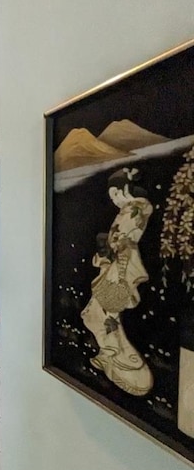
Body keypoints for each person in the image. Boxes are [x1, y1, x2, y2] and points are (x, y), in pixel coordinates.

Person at [81, 166, 153, 396]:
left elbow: (121, 241)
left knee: (105, 311)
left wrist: (108, 247)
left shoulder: (134, 210)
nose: (113, 199)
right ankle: (108, 352)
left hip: (121, 269)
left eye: (115, 194)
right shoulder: (130, 210)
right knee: (100, 312)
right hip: (115, 266)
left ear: (125, 189)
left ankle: (115, 355)